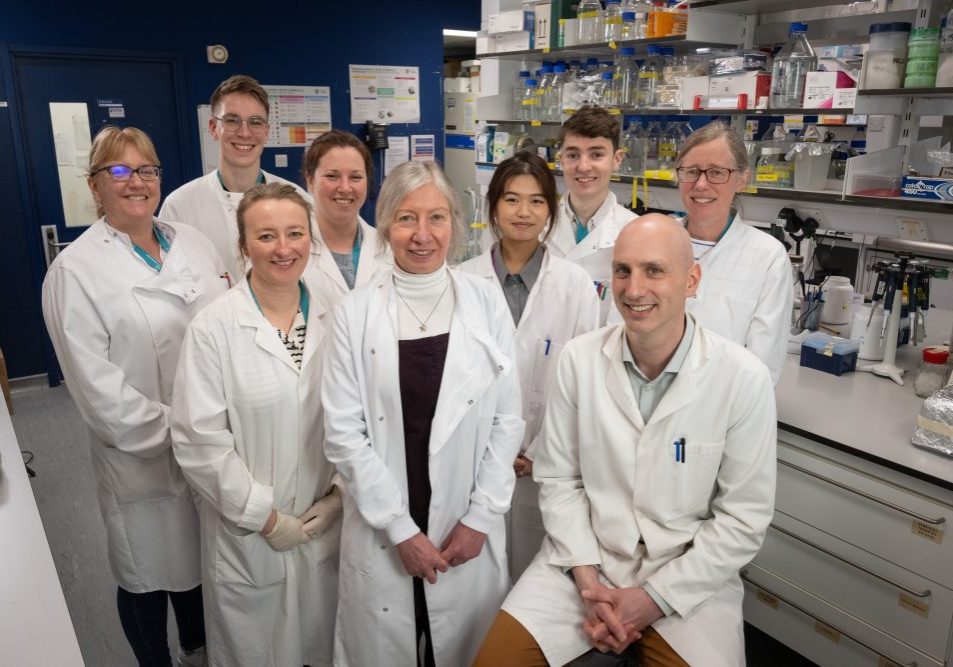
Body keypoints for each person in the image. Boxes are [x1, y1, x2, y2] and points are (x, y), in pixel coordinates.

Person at [474, 214, 777, 667]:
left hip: (685, 578)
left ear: (691, 280)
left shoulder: (742, 377)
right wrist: (589, 583)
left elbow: (742, 519)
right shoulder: (581, 360)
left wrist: (652, 599)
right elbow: (559, 478)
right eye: (623, 270)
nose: (634, 290)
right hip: (583, 563)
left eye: (654, 270)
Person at [321, 160, 524, 667]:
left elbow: (507, 421)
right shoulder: (355, 313)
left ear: (454, 224)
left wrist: (480, 518)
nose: (422, 235)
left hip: (464, 523)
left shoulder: (485, 302)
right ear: (386, 224)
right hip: (385, 524)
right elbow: (345, 435)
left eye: (436, 217)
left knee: (463, 649)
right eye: (407, 218)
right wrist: (400, 529)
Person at [42, 126, 228, 666]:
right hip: (143, 457)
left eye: (147, 169)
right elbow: (101, 396)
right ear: (95, 186)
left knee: (200, 568)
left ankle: (200, 650)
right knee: (147, 574)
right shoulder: (73, 272)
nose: (136, 182)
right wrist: (190, 430)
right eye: (119, 171)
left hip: (212, 446)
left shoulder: (193, 242)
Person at [171, 183, 341, 667]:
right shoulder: (214, 328)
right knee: (259, 652)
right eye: (266, 236)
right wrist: (264, 517)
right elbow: (199, 444)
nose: (283, 249)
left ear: (311, 239)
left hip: (324, 525)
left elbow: (364, 418)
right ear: (244, 246)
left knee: (322, 646)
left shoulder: (338, 318)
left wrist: (340, 496)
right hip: (250, 536)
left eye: (294, 233)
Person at [456, 152, 599, 580]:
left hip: (546, 464)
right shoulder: (463, 282)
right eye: (512, 199)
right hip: (474, 462)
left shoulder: (574, 285)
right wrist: (490, 450)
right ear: (494, 206)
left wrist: (540, 454)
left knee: (534, 580)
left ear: (550, 212)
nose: (523, 212)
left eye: (537, 201)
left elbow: (586, 383)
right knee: (475, 580)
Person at [675, 120, 792, 384]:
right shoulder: (657, 241)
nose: (701, 184)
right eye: (691, 171)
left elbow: (762, 368)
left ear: (742, 179)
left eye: (717, 172)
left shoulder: (767, 258)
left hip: (723, 413)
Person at [160, 74, 308, 278]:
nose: (244, 133)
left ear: (266, 131)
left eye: (255, 122)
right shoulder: (179, 206)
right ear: (213, 128)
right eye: (232, 120)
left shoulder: (299, 200)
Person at [546, 106, 636, 325]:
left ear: (617, 159)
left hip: (602, 354)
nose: (583, 166)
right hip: (541, 355)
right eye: (573, 155)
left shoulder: (634, 232)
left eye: (596, 154)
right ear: (561, 159)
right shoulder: (537, 225)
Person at [300, 129, 391, 298]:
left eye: (355, 177)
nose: (345, 188)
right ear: (310, 181)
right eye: (332, 176)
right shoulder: (289, 249)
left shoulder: (388, 249)